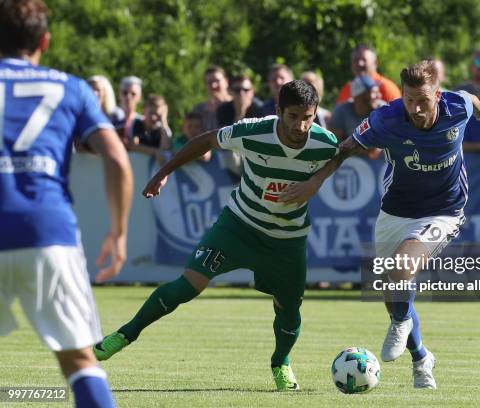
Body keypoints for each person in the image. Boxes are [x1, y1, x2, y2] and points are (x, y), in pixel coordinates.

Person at [93, 80, 339, 392]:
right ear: (277, 111)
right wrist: (163, 172)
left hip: (287, 239)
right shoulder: (253, 131)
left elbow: (341, 154)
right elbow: (207, 140)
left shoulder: (323, 142)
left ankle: (281, 363)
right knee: (189, 284)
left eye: (308, 117)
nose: (301, 125)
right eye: (293, 116)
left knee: (289, 309)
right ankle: (125, 334)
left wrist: (316, 180)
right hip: (239, 226)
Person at [280, 60, 480, 390]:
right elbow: (347, 148)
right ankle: (422, 358)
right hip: (395, 212)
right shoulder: (386, 119)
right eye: (409, 99)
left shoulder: (458, 105)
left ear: (438, 95)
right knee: (391, 289)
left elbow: (475, 103)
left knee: (401, 269)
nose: (415, 108)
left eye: (423, 100)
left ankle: (400, 321)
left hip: (445, 211)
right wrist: (316, 182)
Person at [0, 1, 134, 407]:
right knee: (80, 362)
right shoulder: (71, 87)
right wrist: (119, 231)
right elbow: (116, 157)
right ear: (45, 40)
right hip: (49, 233)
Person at [336, 44, 401, 104]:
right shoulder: (347, 89)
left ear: (375, 63)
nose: (359, 63)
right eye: (356, 60)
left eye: (364, 60)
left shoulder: (388, 88)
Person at [329, 75, 385, 141]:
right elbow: (335, 142)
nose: (379, 96)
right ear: (360, 96)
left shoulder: (382, 109)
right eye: (374, 92)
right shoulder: (342, 110)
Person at [191, 65, 232, 133]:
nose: (213, 85)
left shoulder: (236, 106)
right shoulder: (198, 110)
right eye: (210, 82)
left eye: (217, 81)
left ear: (226, 81)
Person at [115, 75, 143, 142]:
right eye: (125, 93)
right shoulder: (109, 118)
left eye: (133, 94)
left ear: (139, 97)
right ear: (119, 95)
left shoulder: (143, 122)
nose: (128, 97)